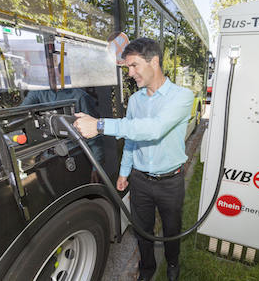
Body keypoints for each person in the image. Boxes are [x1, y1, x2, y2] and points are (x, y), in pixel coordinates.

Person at [73, 37, 194, 281]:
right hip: (140, 180)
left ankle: (172, 263)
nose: (130, 73)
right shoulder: (136, 100)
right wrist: (124, 172)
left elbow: (153, 129)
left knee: (172, 229)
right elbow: (132, 137)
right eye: (128, 67)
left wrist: (99, 125)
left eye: (135, 65)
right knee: (142, 230)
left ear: (155, 62)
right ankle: (147, 268)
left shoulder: (181, 96)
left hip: (171, 181)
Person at [21, 64, 104, 183]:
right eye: (47, 70)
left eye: (52, 70)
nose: (49, 74)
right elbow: (21, 111)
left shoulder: (80, 97)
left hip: (76, 157)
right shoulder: (39, 93)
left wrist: (97, 167)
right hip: (49, 158)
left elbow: (95, 134)